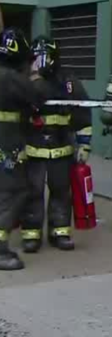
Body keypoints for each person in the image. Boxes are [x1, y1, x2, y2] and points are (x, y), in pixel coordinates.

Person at [20, 37, 92, 253]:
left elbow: (82, 113)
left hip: (62, 148)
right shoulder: (24, 81)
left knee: (61, 191)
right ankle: (31, 234)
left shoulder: (68, 81)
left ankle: (60, 231)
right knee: (32, 192)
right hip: (32, 148)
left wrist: (84, 145)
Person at [0, 28, 46, 270]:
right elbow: (37, 98)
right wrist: (36, 74)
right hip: (5, 146)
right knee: (12, 193)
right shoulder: (11, 79)